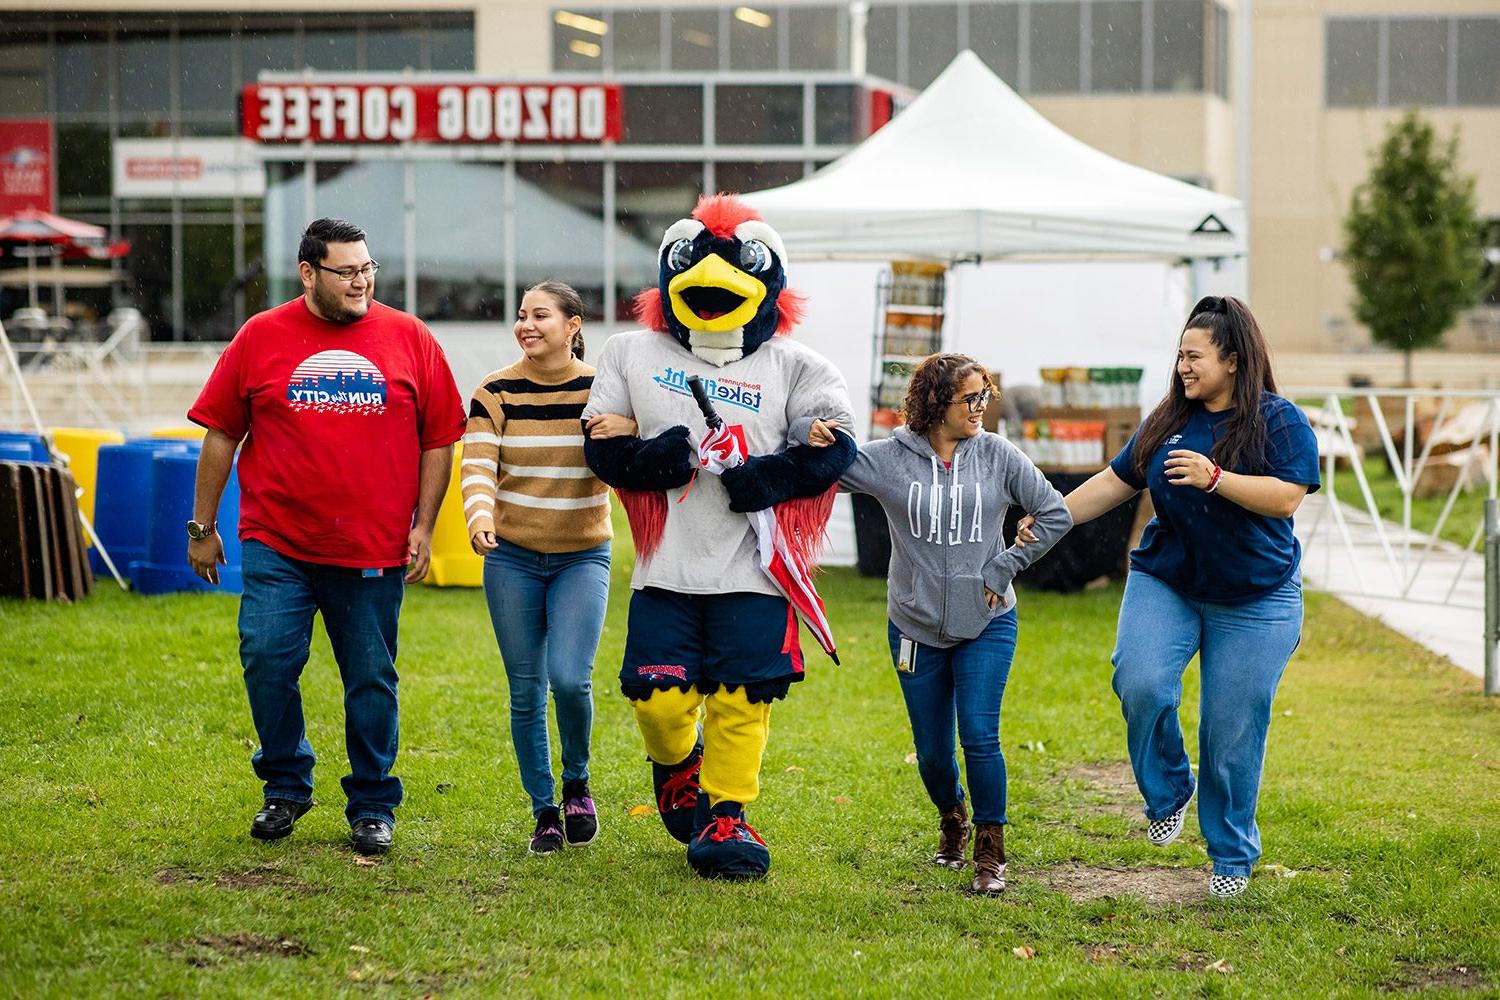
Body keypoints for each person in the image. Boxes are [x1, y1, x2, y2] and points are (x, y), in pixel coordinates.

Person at [583, 194, 856, 880]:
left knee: (742, 697)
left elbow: (835, 450)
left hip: (755, 570)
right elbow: (601, 444)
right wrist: (657, 459)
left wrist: (768, 476)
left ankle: (728, 813)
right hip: (665, 567)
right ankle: (678, 764)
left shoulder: (799, 367)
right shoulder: (630, 352)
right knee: (656, 697)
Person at [1019, 295, 1319, 898]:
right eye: (1179, 355)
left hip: (1257, 597)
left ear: (1232, 360)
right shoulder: (1167, 418)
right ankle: (1169, 788)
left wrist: (1216, 477)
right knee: (1141, 681)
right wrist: (1046, 519)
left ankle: (1231, 858)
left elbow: (1288, 496)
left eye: (1195, 355)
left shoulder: (1276, 420)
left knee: (1231, 730)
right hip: (1169, 581)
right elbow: (1112, 482)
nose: (1182, 366)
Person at [186, 217, 465, 856]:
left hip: (371, 548)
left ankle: (372, 802)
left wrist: (423, 525)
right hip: (277, 539)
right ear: (308, 273)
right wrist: (202, 526)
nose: (361, 281)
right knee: (267, 657)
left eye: (367, 269)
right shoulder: (261, 336)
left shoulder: (410, 338)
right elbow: (222, 432)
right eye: (347, 272)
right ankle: (285, 783)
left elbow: (439, 438)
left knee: (370, 678)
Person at [805, 353, 1071, 894]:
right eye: (968, 399)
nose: (979, 408)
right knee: (931, 750)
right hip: (912, 626)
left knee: (979, 735)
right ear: (933, 404)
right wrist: (806, 431)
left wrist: (1005, 563)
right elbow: (819, 462)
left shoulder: (997, 455)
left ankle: (990, 851)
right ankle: (953, 817)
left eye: (983, 396)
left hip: (990, 620)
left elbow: (1055, 512)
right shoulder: (887, 460)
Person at [459, 281, 636, 855]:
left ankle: (578, 783)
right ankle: (544, 812)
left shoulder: (601, 392)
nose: (526, 325)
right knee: (526, 690)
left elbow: (638, 449)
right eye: (520, 316)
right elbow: (478, 463)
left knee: (569, 677)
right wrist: (479, 515)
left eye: (540, 315)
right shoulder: (496, 390)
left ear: (573, 325)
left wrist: (630, 429)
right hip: (510, 556)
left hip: (582, 556)